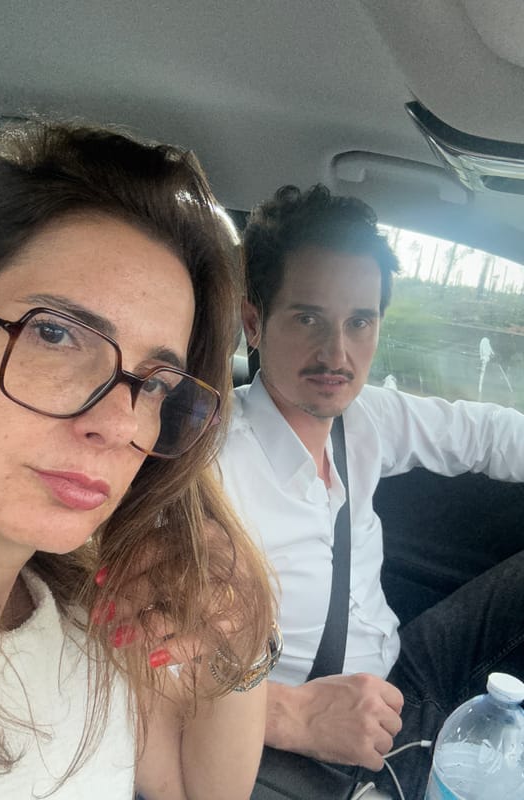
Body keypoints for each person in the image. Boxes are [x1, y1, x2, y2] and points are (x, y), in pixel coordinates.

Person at [0, 120, 279, 798]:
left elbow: (194, 789)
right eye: (56, 334)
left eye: (156, 384)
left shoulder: (87, 606)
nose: (119, 424)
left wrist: (244, 646)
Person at [218, 184, 524, 799]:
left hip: (404, 678)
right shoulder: (212, 465)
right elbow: (142, 663)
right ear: (255, 321)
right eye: (308, 318)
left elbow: (488, 433)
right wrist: (286, 715)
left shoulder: (368, 418)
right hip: (297, 749)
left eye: (360, 321)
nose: (337, 352)